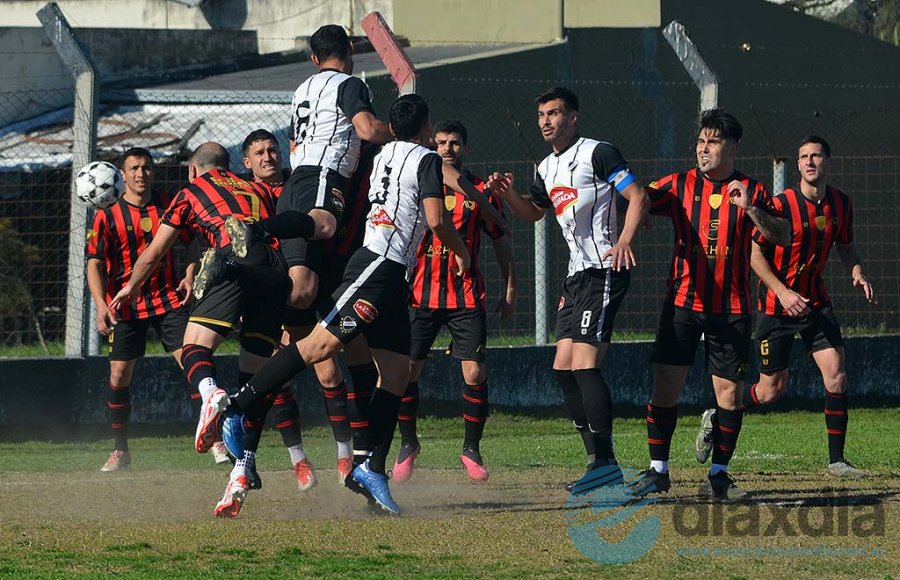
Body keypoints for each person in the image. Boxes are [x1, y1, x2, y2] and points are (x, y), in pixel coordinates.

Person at [205, 94, 471, 516]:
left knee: (397, 373)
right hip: (377, 267)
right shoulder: (426, 159)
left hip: (391, 274)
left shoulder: (385, 152)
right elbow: (436, 219)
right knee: (317, 347)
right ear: (426, 128)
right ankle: (238, 407)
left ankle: (371, 469)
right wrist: (461, 251)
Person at [110, 142, 291, 518]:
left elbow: (155, 251)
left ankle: (209, 392)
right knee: (253, 382)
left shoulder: (190, 192)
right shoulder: (257, 188)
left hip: (234, 260)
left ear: (194, 170)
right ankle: (241, 472)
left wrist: (131, 286)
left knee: (194, 344)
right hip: (277, 272)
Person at [487, 86, 650, 493]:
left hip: (604, 269)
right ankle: (596, 461)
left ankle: (607, 463)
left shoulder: (599, 152)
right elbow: (534, 213)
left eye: (554, 113)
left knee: (584, 365)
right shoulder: (545, 167)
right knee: (562, 369)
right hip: (577, 276)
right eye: (541, 114)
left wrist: (625, 240)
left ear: (573, 117)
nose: (546, 120)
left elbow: (637, 195)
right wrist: (507, 194)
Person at [626, 108, 790, 502]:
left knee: (729, 396)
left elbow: (783, 234)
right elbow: (639, 197)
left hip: (731, 308)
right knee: (666, 385)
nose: (703, 149)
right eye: (700, 141)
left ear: (733, 147)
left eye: (713, 142)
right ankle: (658, 471)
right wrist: (639, 211)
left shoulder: (754, 189)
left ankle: (719, 476)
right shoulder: (679, 184)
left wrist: (751, 208)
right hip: (682, 303)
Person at [694, 135, 876, 479]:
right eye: (803, 156)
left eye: (816, 156)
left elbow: (847, 246)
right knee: (771, 389)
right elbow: (754, 254)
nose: (810, 162)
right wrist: (782, 292)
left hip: (814, 303)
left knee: (836, 374)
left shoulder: (841, 204)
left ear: (828, 163)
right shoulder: (780, 205)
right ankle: (717, 415)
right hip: (776, 306)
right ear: (797, 164)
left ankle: (836, 461)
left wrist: (857, 272)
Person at [392, 119, 517, 483]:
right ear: (432, 145)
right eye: (442, 142)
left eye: (455, 143)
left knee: (474, 372)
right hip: (420, 294)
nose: (447, 149)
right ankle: (408, 443)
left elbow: (501, 239)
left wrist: (511, 288)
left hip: (465, 295)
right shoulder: (413, 184)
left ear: (466, 148)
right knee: (406, 374)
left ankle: (471, 449)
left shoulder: (479, 191)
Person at [242, 128, 357, 490]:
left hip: (310, 290)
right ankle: (298, 460)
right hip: (274, 300)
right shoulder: (247, 197)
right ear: (247, 163)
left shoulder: (302, 185)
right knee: (278, 381)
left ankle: (345, 454)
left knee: (329, 375)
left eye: (272, 150)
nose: (267, 157)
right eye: (259, 153)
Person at [87, 147, 207, 470]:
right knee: (119, 375)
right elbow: (94, 264)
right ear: (122, 175)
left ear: (153, 172)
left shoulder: (169, 205)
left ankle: (218, 440)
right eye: (135, 168)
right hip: (125, 305)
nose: (142, 174)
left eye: (147, 168)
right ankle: (121, 450)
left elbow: (192, 241)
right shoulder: (107, 214)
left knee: (195, 364)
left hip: (168, 300)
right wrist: (101, 306)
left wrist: (190, 271)